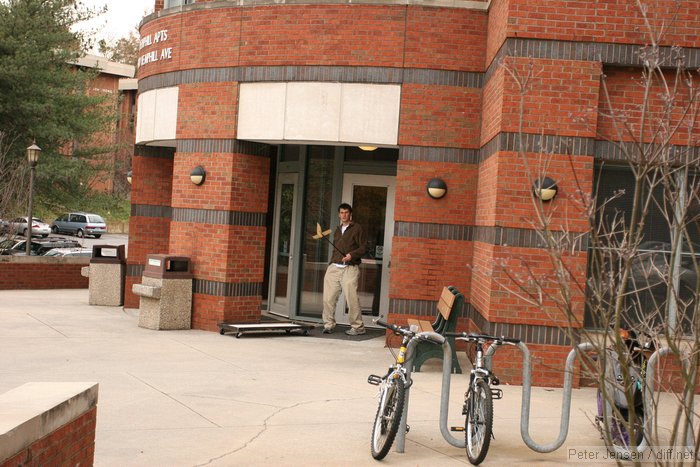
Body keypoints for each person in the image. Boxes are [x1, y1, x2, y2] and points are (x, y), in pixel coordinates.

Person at [322, 203, 367, 335]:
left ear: (350, 214)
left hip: (350, 268)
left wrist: (351, 255)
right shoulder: (337, 229)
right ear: (338, 214)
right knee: (328, 298)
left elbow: (363, 247)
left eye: (346, 212)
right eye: (341, 212)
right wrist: (331, 262)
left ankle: (358, 327)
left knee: (351, 298)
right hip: (334, 267)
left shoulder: (357, 228)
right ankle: (329, 324)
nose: (344, 215)